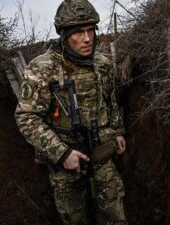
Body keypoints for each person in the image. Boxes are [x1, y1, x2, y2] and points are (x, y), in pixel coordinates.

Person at [15, 0, 128, 224]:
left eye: (90, 31)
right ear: (64, 35)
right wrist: (62, 153)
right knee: (75, 219)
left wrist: (117, 130)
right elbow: (26, 117)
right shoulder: (43, 68)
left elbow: (109, 100)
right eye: (78, 33)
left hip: (101, 152)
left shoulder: (102, 64)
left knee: (115, 216)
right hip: (66, 159)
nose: (87, 39)